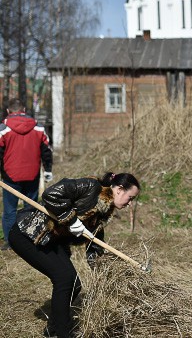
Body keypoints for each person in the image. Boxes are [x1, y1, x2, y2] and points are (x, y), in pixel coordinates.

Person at [8, 172, 140, 338]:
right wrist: (71, 220)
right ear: (120, 189)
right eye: (130, 198)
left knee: (74, 283)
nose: (130, 203)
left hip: (49, 241)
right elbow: (51, 194)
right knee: (64, 278)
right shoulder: (90, 187)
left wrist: (105, 271)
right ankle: (65, 333)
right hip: (28, 234)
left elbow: (95, 245)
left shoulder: (104, 211)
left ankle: (54, 329)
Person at [1, 98, 53, 250]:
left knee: (10, 209)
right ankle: (29, 239)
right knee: (30, 207)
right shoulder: (38, 128)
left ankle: (11, 243)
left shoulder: (3, 129)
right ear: (23, 110)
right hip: (32, 173)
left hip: (10, 175)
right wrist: (48, 169)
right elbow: (46, 150)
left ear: (8, 111)